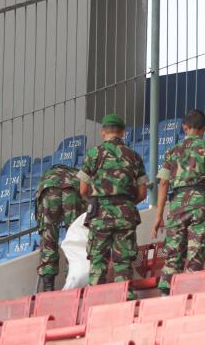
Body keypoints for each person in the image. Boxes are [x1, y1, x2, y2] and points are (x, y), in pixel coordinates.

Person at [150, 109, 205, 296]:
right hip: (200, 205)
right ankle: (188, 293)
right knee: (196, 252)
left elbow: (163, 182)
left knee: (173, 254)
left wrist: (159, 215)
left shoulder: (172, 151)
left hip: (176, 206)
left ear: (184, 127)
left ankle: (165, 296)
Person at [77, 114, 148, 300]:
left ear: (103, 133)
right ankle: (125, 301)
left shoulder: (93, 154)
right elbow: (142, 193)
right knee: (123, 261)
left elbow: (83, 189)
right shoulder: (134, 156)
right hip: (125, 214)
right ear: (123, 132)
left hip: (99, 214)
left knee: (98, 260)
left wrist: (94, 201)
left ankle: (94, 302)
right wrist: (126, 204)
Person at [35, 164, 86, 291]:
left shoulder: (47, 175)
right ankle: (73, 283)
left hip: (48, 187)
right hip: (73, 188)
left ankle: (48, 287)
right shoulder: (77, 173)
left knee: (48, 238)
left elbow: (40, 222)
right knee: (75, 235)